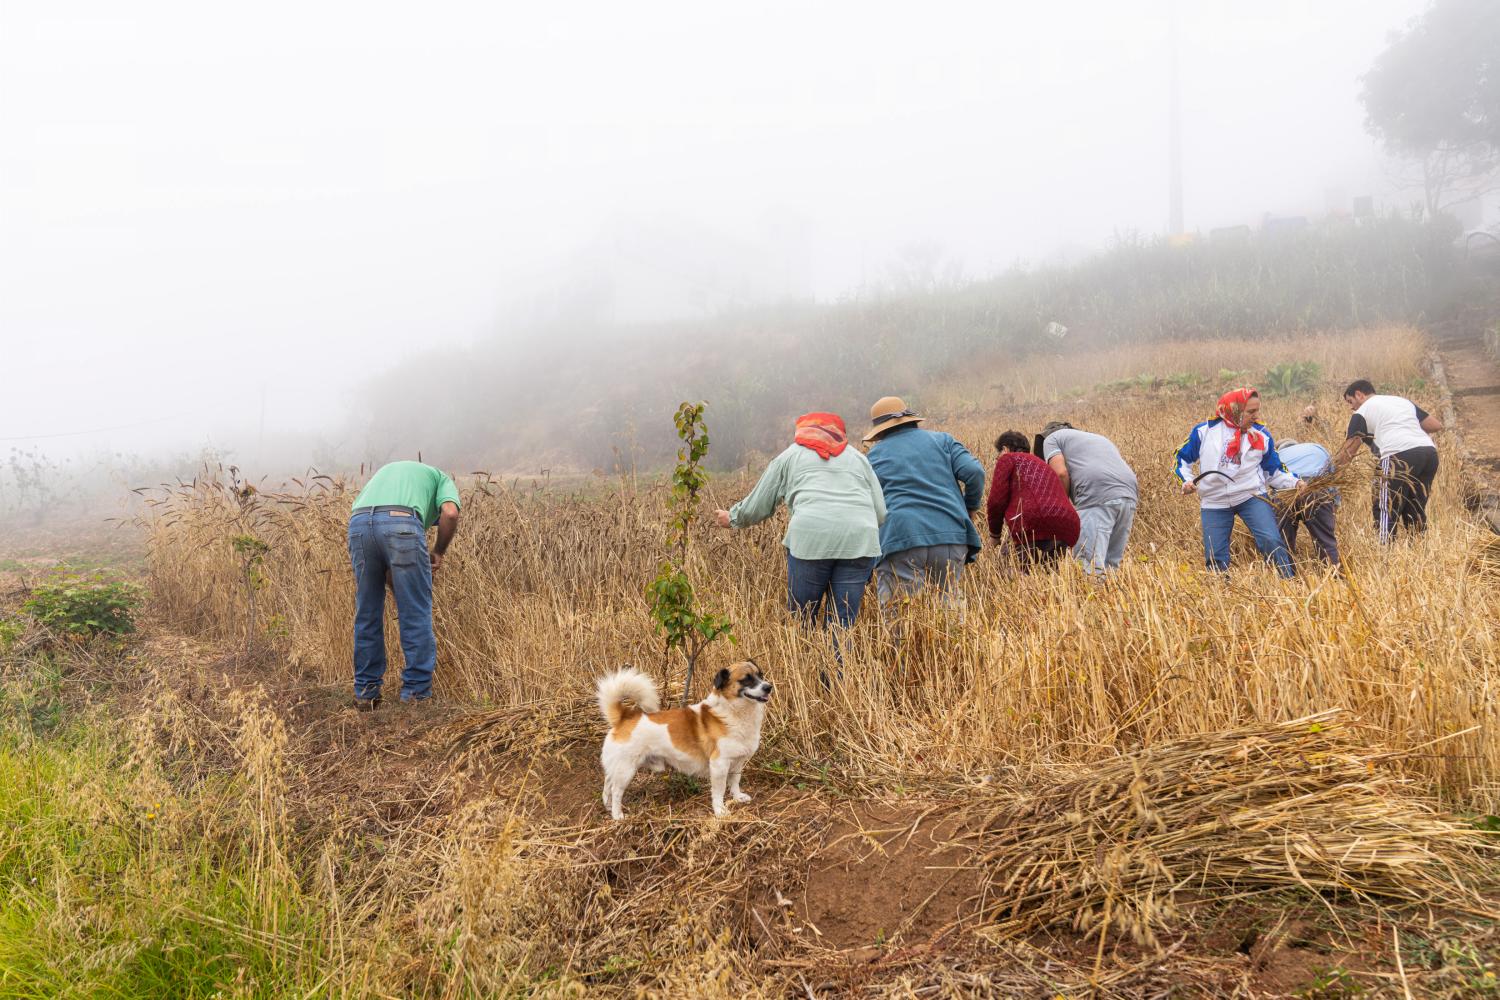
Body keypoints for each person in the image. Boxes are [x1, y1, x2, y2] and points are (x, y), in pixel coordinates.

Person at [714, 412, 885, 636]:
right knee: (842, 624)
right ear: (839, 432)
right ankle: (838, 660)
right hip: (859, 540)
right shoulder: (858, 458)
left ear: (802, 432)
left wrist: (732, 517)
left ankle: (805, 657)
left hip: (810, 539)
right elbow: (880, 512)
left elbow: (760, 503)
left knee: (802, 619)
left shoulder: (790, 455)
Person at [347, 460, 462, 709]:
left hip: (358, 524)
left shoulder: (391, 472)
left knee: (367, 613)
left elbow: (382, 537)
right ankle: (415, 696)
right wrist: (438, 551)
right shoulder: (442, 478)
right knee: (416, 613)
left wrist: (400, 587)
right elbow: (450, 513)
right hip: (401, 521)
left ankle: (366, 693)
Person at [863, 396, 985, 607]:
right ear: (911, 420)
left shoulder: (872, 457)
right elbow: (975, 472)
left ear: (879, 432)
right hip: (950, 532)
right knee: (950, 607)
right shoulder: (943, 440)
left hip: (900, 536)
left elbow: (866, 502)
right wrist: (971, 507)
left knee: (901, 614)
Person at [1174, 388, 1301, 578]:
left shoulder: (1261, 435)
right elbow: (1181, 459)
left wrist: (1295, 482)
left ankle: (1288, 581)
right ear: (1234, 410)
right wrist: (1186, 481)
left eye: (1257, 410)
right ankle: (1220, 590)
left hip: (1251, 495)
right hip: (1214, 500)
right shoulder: (1204, 432)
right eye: (1251, 412)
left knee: (1271, 541)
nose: (1256, 416)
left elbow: (1274, 471)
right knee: (1215, 556)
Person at [1323, 379, 1443, 541]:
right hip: (1429, 454)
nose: (1351, 407)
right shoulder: (1402, 402)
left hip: (1397, 455)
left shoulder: (1362, 411)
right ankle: (1420, 547)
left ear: (1359, 394)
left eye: (1350, 402)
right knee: (1414, 508)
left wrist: (1329, 477)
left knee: (1384, 508)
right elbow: (1435, 425)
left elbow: (1349, 451)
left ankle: (1384, 551)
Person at [1038, 420, 1138, 575]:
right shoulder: (1099, 439)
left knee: (1089, 563)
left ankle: (1092, 589)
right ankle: (1111, 589)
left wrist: (1063, 507)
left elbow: (1060, 473)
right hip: (1129, 493)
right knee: (1111, 564)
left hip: (1096, 494)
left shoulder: (1052, 438)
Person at [986, 430, 1081, 567]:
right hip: (1067, 524)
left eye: (998, 453)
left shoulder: (1008, 458)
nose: (998, 458)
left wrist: (995, 535)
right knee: (1050, 575)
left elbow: (996, 501)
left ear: (1005, 449)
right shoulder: (1043, 464)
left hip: (1034, 521)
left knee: (1016, 572)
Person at [1274, 439, 1339, 567]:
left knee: (1283, 541)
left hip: (1285, 494)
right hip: (1315, 489)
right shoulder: (1317, 448)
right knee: (1325, 541)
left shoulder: (1275, 456)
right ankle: (1332, 573)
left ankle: (1286, 574)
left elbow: (1272, 484)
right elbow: (1333, 478)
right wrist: (1334, 504)